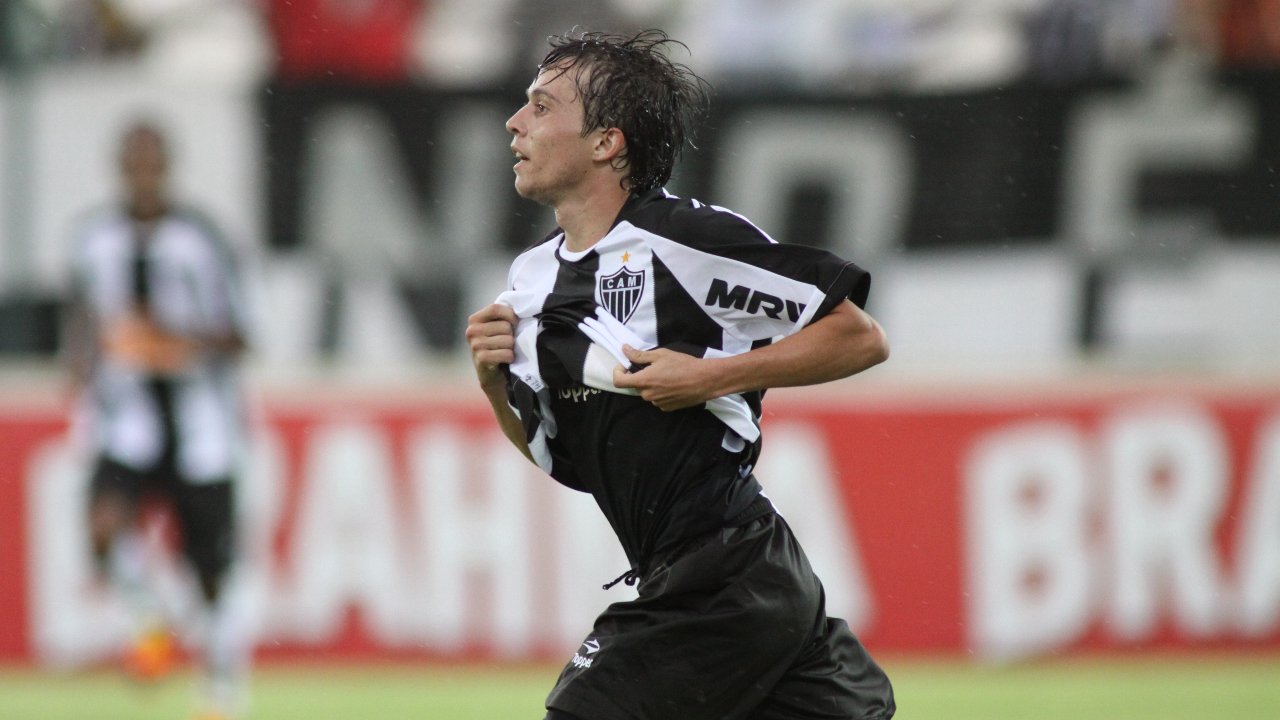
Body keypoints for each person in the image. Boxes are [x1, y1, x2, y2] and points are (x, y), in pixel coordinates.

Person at [465, 29, 896, 720]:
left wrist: (711, 377)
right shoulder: (529, 284)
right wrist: (492, 386)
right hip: (723, 583)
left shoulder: (687, 242)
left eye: (542, 107)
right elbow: (567, 460)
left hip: (728, 573)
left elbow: (859, 337)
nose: (515, 122)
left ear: (607, 142)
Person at [64, 121, 253, 720]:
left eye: (151, 162)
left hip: (202, 425)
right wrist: (81, 364)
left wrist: (174, 343)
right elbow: (84, 318)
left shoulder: (202, 237)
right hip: (125, 420)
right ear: (120, 167)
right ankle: (151, 618)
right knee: (101, 527)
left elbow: (242, 334)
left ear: (166, 166)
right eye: (132, 162)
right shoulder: (93, 237)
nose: (142, 173)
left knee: (211, 568)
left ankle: (221, 687)